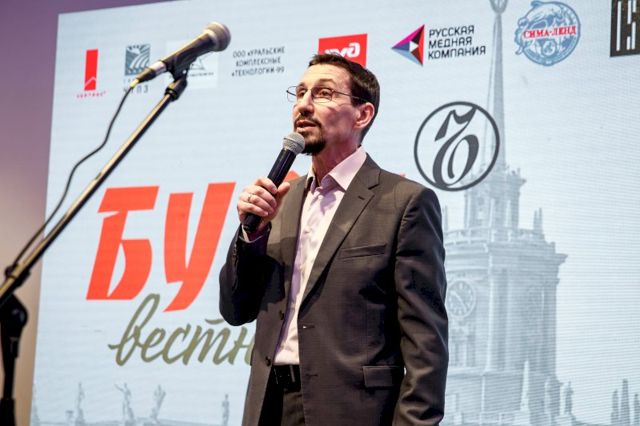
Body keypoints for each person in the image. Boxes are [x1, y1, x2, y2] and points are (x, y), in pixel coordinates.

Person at [219, 53, 448, 426]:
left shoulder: (403, 202)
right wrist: (251, 234)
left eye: (323, 93)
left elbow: (426, 342)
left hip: (352, 411)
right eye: (300, 93)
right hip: (268, 407)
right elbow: (235, 310)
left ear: (362, 114)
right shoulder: (281, 200)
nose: (304, 105)